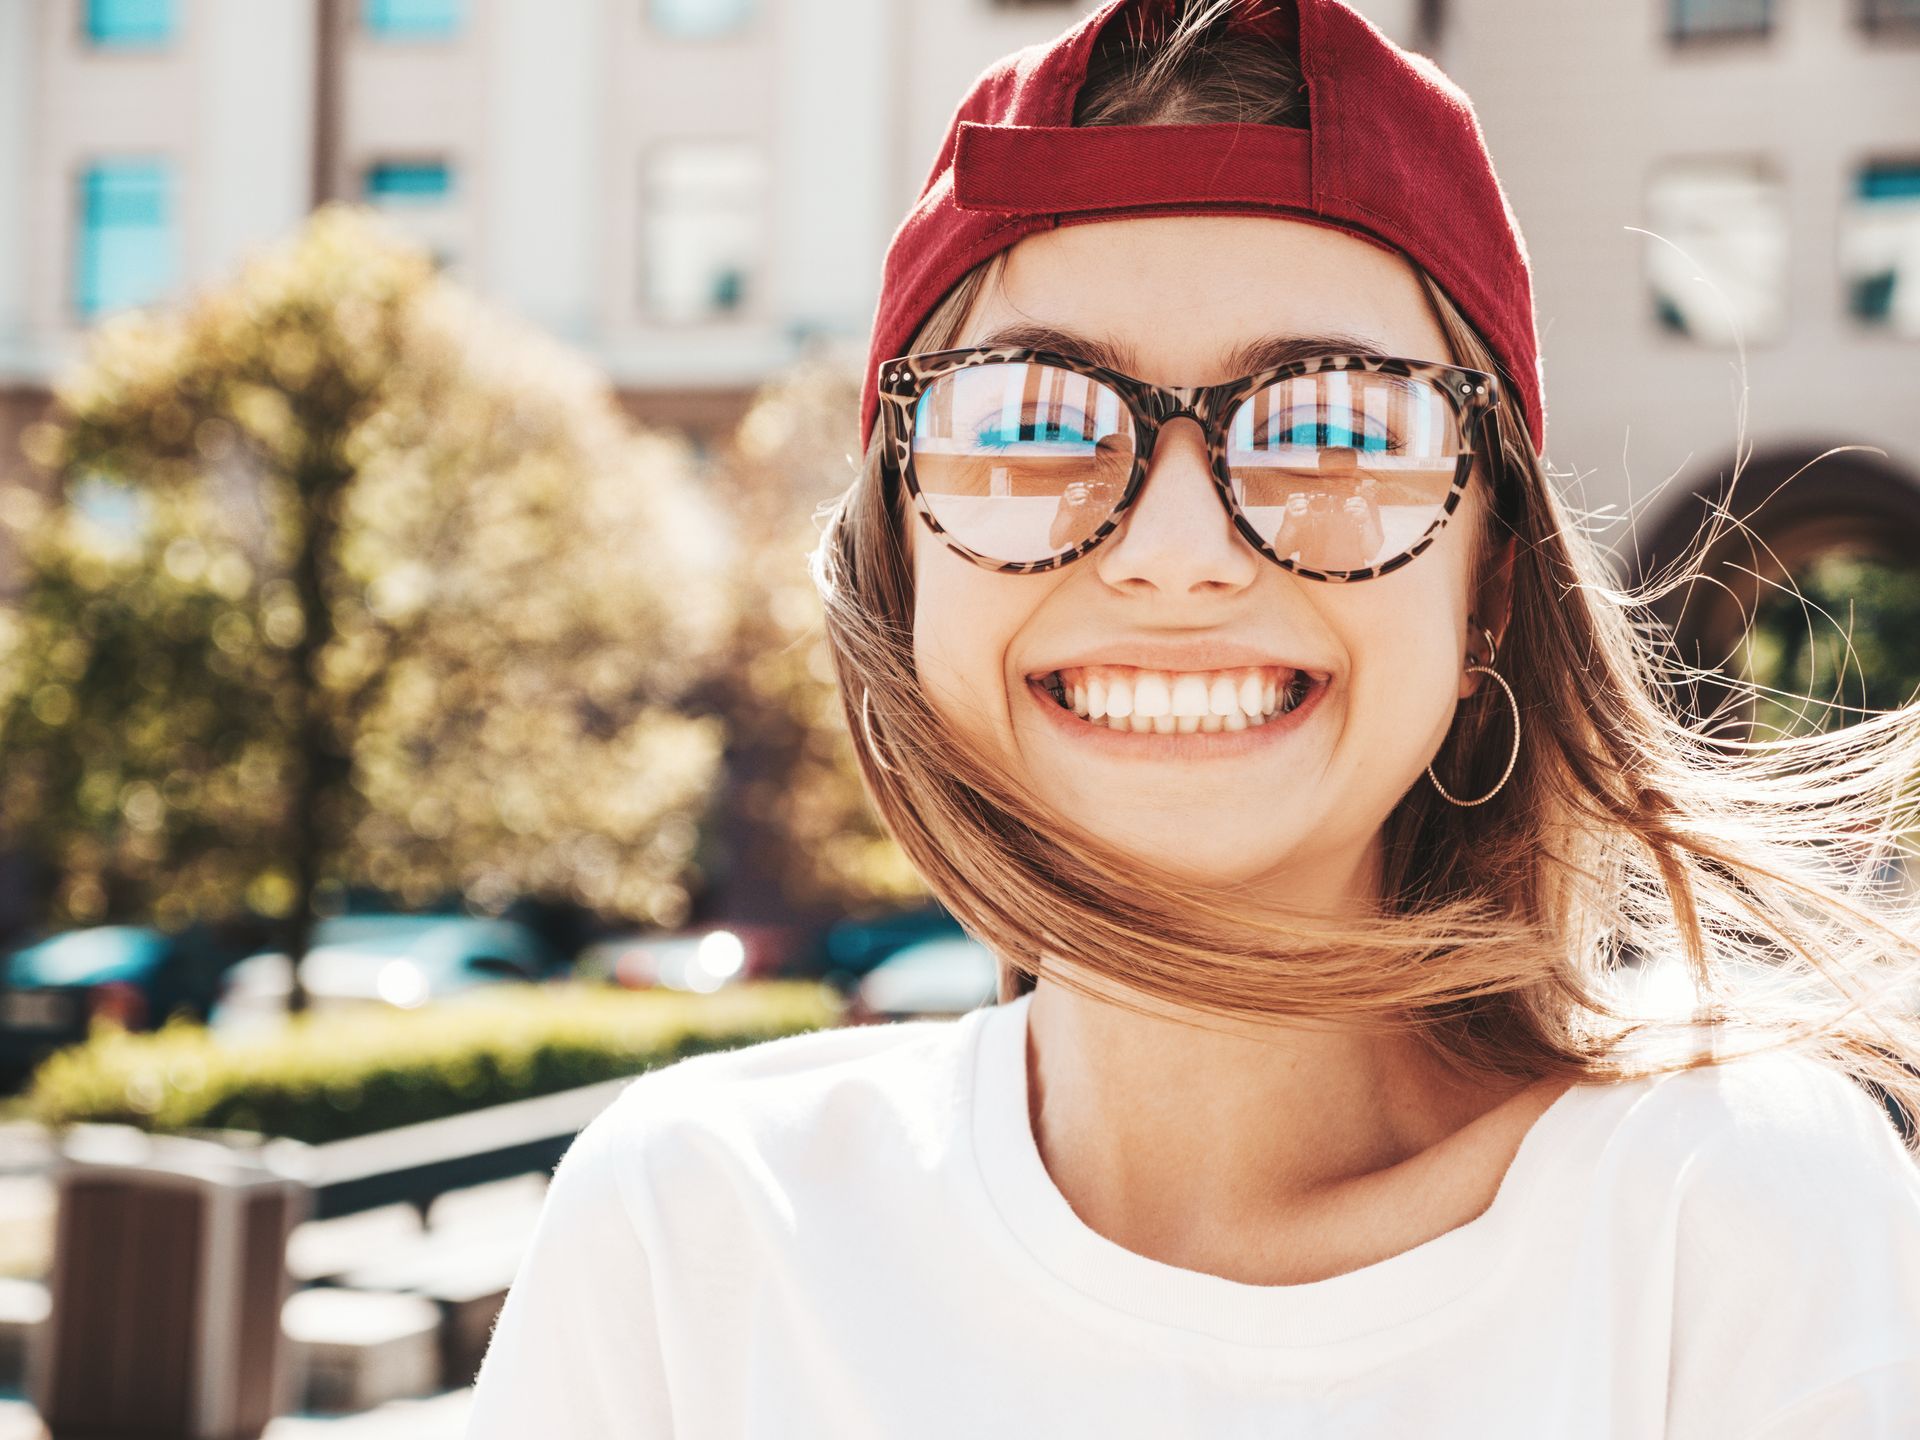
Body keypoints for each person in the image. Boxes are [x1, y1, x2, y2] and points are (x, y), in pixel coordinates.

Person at [467, 3, 1920, 1434]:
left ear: (1489, 590)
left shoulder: (1726, 1214)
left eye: (1336, 426)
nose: (1177, 549)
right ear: (903, 566)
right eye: (1033, 420)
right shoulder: (688, 1232)